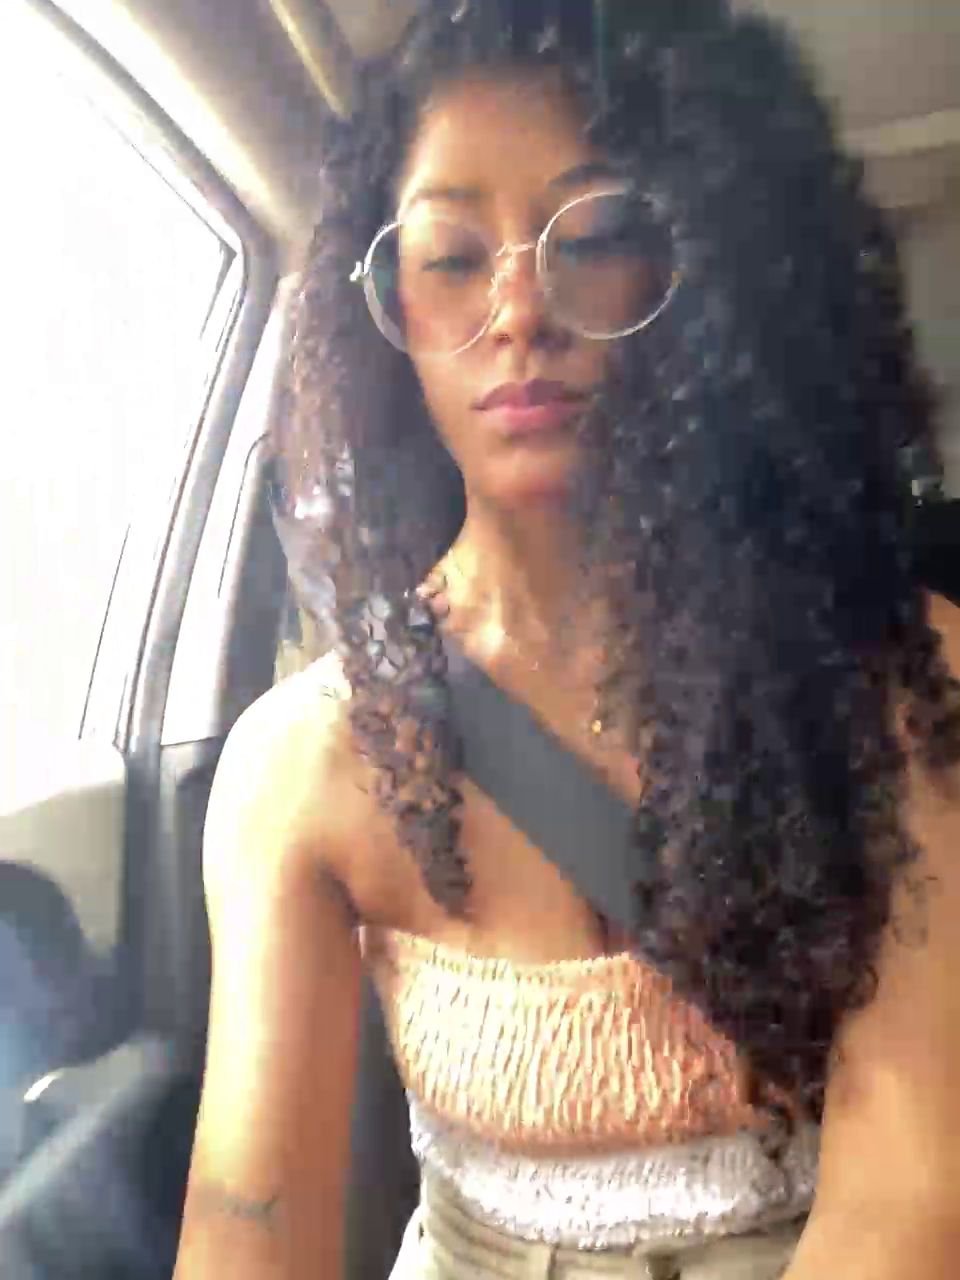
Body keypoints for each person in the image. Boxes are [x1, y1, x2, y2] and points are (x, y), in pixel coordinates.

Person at [173, 1, 960, 1277]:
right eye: (449, 256)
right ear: (385, 312)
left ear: (715, 275)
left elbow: (909, 1209)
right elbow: (247, 1223)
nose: (519, 308)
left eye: (592, 237)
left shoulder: (909, 690)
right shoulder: (305, 764)